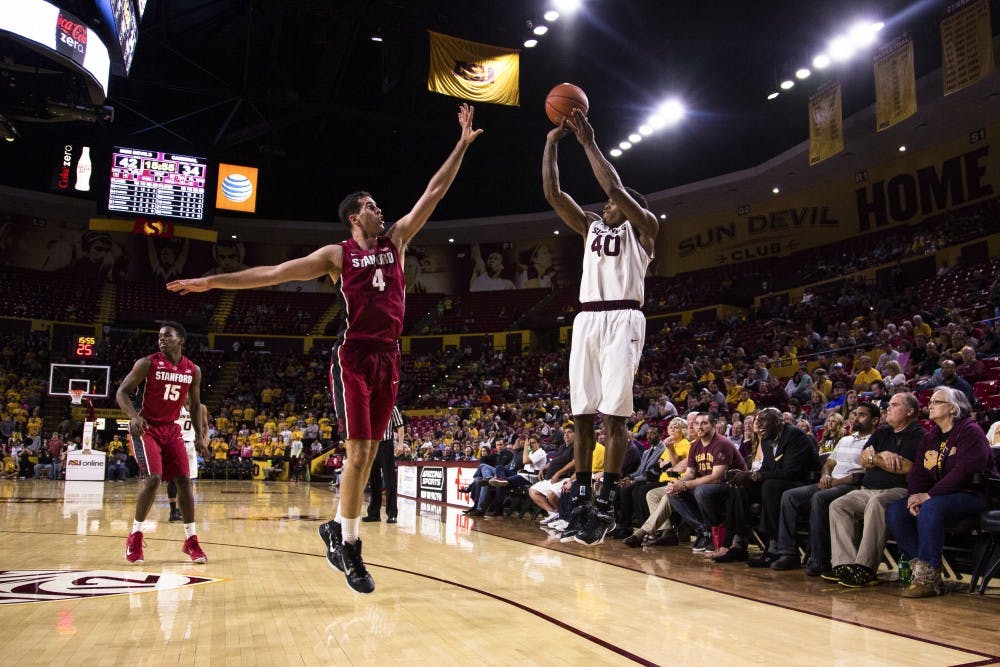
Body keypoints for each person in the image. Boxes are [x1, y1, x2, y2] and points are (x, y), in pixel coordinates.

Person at [168, 104, 482, 593]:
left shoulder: (398, 240)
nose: (381, 209)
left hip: (389, 357)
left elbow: (434, 192)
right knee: (358, 451)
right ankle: (351, 548)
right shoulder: (337, 255)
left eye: (380, 205)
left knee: (370, 452)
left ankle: (338, 528)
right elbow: (272, 274)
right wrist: (210, 282)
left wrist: (461, 144)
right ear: (355, 215)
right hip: (353, 357)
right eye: (372, 205)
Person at [542, 107, 660, 546]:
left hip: (624, 316)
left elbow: (612, 185)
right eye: (607, 203)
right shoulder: (591, 228)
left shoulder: (645, 229)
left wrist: (588, 141)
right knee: (583, 414)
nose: (607, 203)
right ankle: (583, 501)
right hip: (588, 318)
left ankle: (609, 499)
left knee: (614, 413)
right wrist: (552, 144)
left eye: (615, 202)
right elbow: (554, 194)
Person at [886, 387, 998, 597]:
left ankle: (927, 578)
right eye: (931, 402)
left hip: (975, 495)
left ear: (953, 408)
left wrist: (928, 495)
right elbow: (918, 473)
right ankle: (925, 572)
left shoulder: (970, 431)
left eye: (937, 402)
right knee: (896, 511)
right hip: (941, 496)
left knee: (931, 507)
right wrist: (913, 496)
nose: (930, 405)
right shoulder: (930, 438)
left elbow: (965, 471)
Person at [115, 321, 208, 565]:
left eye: (167, 335)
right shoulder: (147, 363)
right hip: (146, 428)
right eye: (159, 336)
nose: (162, 339)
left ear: (181, 340)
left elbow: (196, 405)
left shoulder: (192, 370)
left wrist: (200, 437)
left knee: (184, 482)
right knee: (153, 478)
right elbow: (122, 392)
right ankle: (135, 536)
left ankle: (191, 541)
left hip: (172, 429)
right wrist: (134, 416)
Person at [827, 393, 924, 587]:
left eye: (894, 405)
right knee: (838, 505)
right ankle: (845, 564)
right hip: (868, 488)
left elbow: (906, 467)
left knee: (876, 503)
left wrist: (875, 458)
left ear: (910, 411)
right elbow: (863, 459)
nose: (888, 407)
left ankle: (866, 567)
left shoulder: (919, 435)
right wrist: (884, 456)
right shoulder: (882, 432)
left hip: (899, 490)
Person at [770, 403, 876, 574]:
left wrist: (835, 482)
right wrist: (825, 475)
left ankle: (820, 559)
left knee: (819, 498)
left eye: (862, 415)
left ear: (875, 420)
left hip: (852, 485)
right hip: (830, 482)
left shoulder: (875, 441)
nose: (856, 418)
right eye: (855, 414)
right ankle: (788, 553)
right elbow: (828, 463)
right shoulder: (845, 439)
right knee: (789, 496)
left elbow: (863, 474)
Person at [167, 396, 209, 521]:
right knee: (173, 479)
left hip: (190, 445)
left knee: (187, 481)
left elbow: (205, 426)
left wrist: (205, 441)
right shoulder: (175, 405)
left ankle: (180, 510)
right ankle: (173, 511)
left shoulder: (201, 408)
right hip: (175, 443)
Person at [364, 405, 404, 523]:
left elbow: (400, 426)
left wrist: (400, 444)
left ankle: (392, 514)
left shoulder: (392, 406)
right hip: (370, 445)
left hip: (386, 445)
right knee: (374, 481)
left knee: (389, 481)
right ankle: (374, 513)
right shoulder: (367, 405)